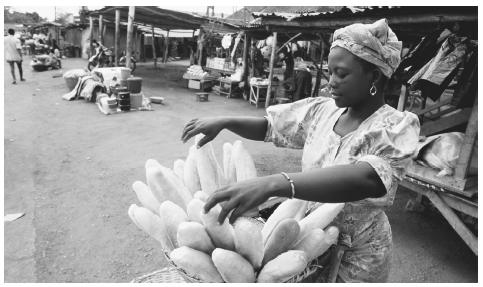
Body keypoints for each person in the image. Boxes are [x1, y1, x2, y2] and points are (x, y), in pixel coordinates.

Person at [181, 19, 420, 282]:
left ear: (374, 76)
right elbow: (272, 126)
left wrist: (276, 184)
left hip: (359, 252)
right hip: (307, 237)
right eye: (330, 72)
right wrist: (226, 122)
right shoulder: (324, 111)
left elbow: (368, 178)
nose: (332, 82)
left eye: (342, 73)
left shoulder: (397, 126)